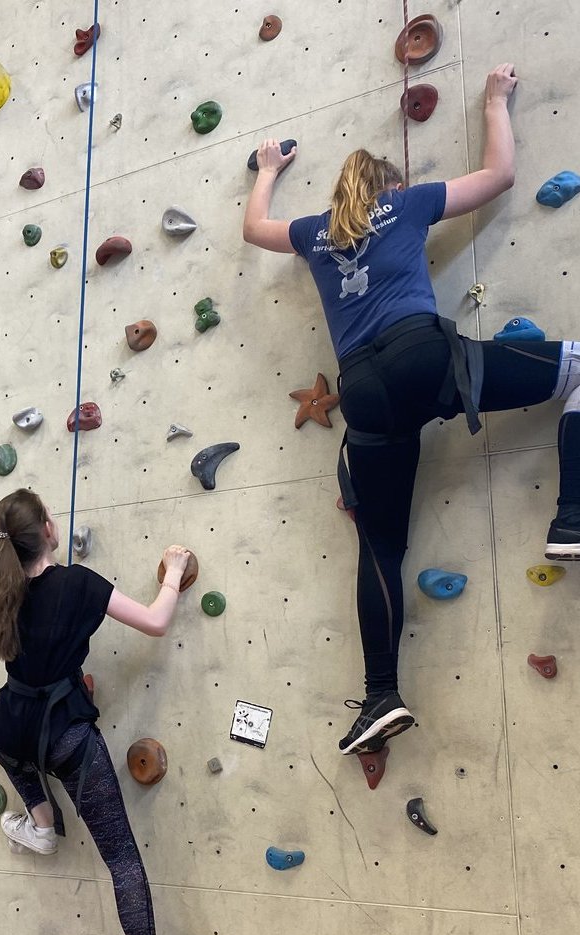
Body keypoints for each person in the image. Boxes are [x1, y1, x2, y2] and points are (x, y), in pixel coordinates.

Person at [242, 63, 580, 756]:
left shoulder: (313, 233)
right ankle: (570, 517)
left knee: (382, 547)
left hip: (362, 394)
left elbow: (254, 229)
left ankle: (379, 696)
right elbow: (499, 175)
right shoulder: (410, 201)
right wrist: (493, 99)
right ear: (390, 186)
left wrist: (268, 169)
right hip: (423, 356)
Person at [0, 488, 200, 935]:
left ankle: (43, 825)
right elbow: (155, 621)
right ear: (48, 530)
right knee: (121, 858)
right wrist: (172, 572)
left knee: (19, 758)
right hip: (66, 736)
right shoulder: (78, 583)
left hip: (8, 728)